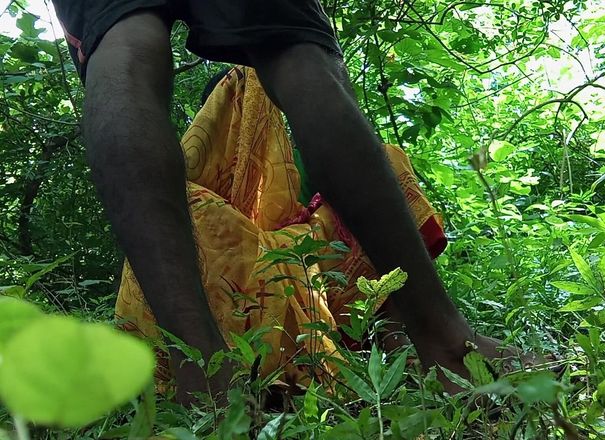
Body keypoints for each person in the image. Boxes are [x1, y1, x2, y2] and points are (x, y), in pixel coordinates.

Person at [53, 1, 541, 403]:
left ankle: (203, 376)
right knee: (291, 48)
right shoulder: (218, 191)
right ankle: (448, 343)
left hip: (303, 281)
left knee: (123, 45)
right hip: (275, 279)